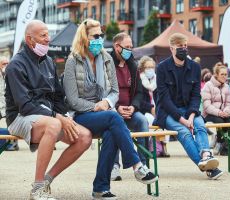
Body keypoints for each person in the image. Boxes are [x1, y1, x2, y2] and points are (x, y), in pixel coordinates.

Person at [63, 19, 158, 199]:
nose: (100, 39)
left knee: (111, 133)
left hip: (105, 111)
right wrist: (97, 106)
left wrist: (106, 102)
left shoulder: (106, 59)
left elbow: (114, 91)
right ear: (84, 37)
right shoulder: (72, 62)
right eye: (95, 36)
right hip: (82, 115)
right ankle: (137, 165)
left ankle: (100, 188)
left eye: (101, 35)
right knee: (115, 119)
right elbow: (73, 101)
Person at [5, 20, 92, 200]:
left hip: (49, 118)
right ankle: (37, 188)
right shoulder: (15, 65)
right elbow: (26, 105)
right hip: (20, 117)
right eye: (43, 35)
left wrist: (65, 116)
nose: (48, 39)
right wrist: (58, 117)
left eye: (47, 34)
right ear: (30, 40)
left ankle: (46, 180)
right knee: (53, 125)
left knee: (84, 137)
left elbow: (58, 97)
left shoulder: (49, 62)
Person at [155, 33, 223, 180]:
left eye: (185, 46)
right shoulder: (162, 68)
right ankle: (209, 167)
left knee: (200, 126)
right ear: (172, 48)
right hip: (169, 112)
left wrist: (191, 116)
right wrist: (183, 120)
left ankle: (205, 154)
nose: (184, 49)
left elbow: (195, 95)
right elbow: (164, 100)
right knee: (184, 132)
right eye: (180, 46)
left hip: (189, 110)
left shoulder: (195, 67)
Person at [110, 32, 148, 181]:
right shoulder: (107, 63)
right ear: (116, 46)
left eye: (131, 47)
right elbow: (104, 91)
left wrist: (133, 106)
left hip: (131, 110)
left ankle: (142, 164)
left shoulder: (133, 65)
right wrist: (117, 107)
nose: (130, 50)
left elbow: (139, 92)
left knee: (143, 121)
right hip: (113, 110)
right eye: (127, 47)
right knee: (113, 123)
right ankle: (114, 166)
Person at [138, 56, 170, 157]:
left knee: (166, 118)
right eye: (147, 67)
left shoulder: (158, 80)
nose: (150, 69)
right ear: (142, 68)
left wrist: (160, 108)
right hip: (144, 110)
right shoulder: (139, 80)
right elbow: (139, 101)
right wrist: (151, 108)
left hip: (157, 108)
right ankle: (151, 146)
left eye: (152, 67)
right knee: (151, 119)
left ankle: (163, 146)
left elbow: (162, 97)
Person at [201, 63, 230, 155]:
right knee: (220, 121)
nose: (224, 76)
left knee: (229, 121)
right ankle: (219, 142)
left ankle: (226, 146)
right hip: (208, 114)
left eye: (226, 74)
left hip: (222, 113)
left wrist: (226, 111)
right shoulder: (208, 85)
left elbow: (228, 103)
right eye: (222, 74)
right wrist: (219, 112)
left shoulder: (227, 86)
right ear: (216, 74)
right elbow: (207, 106)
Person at [0, 56, 19, 151]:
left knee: (12, 125)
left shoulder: (13, 74)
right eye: (4, 64)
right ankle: (5, 143)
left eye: (8, 63)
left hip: (10, 106)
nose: (6, 66)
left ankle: (13, 143)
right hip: (1, 106)